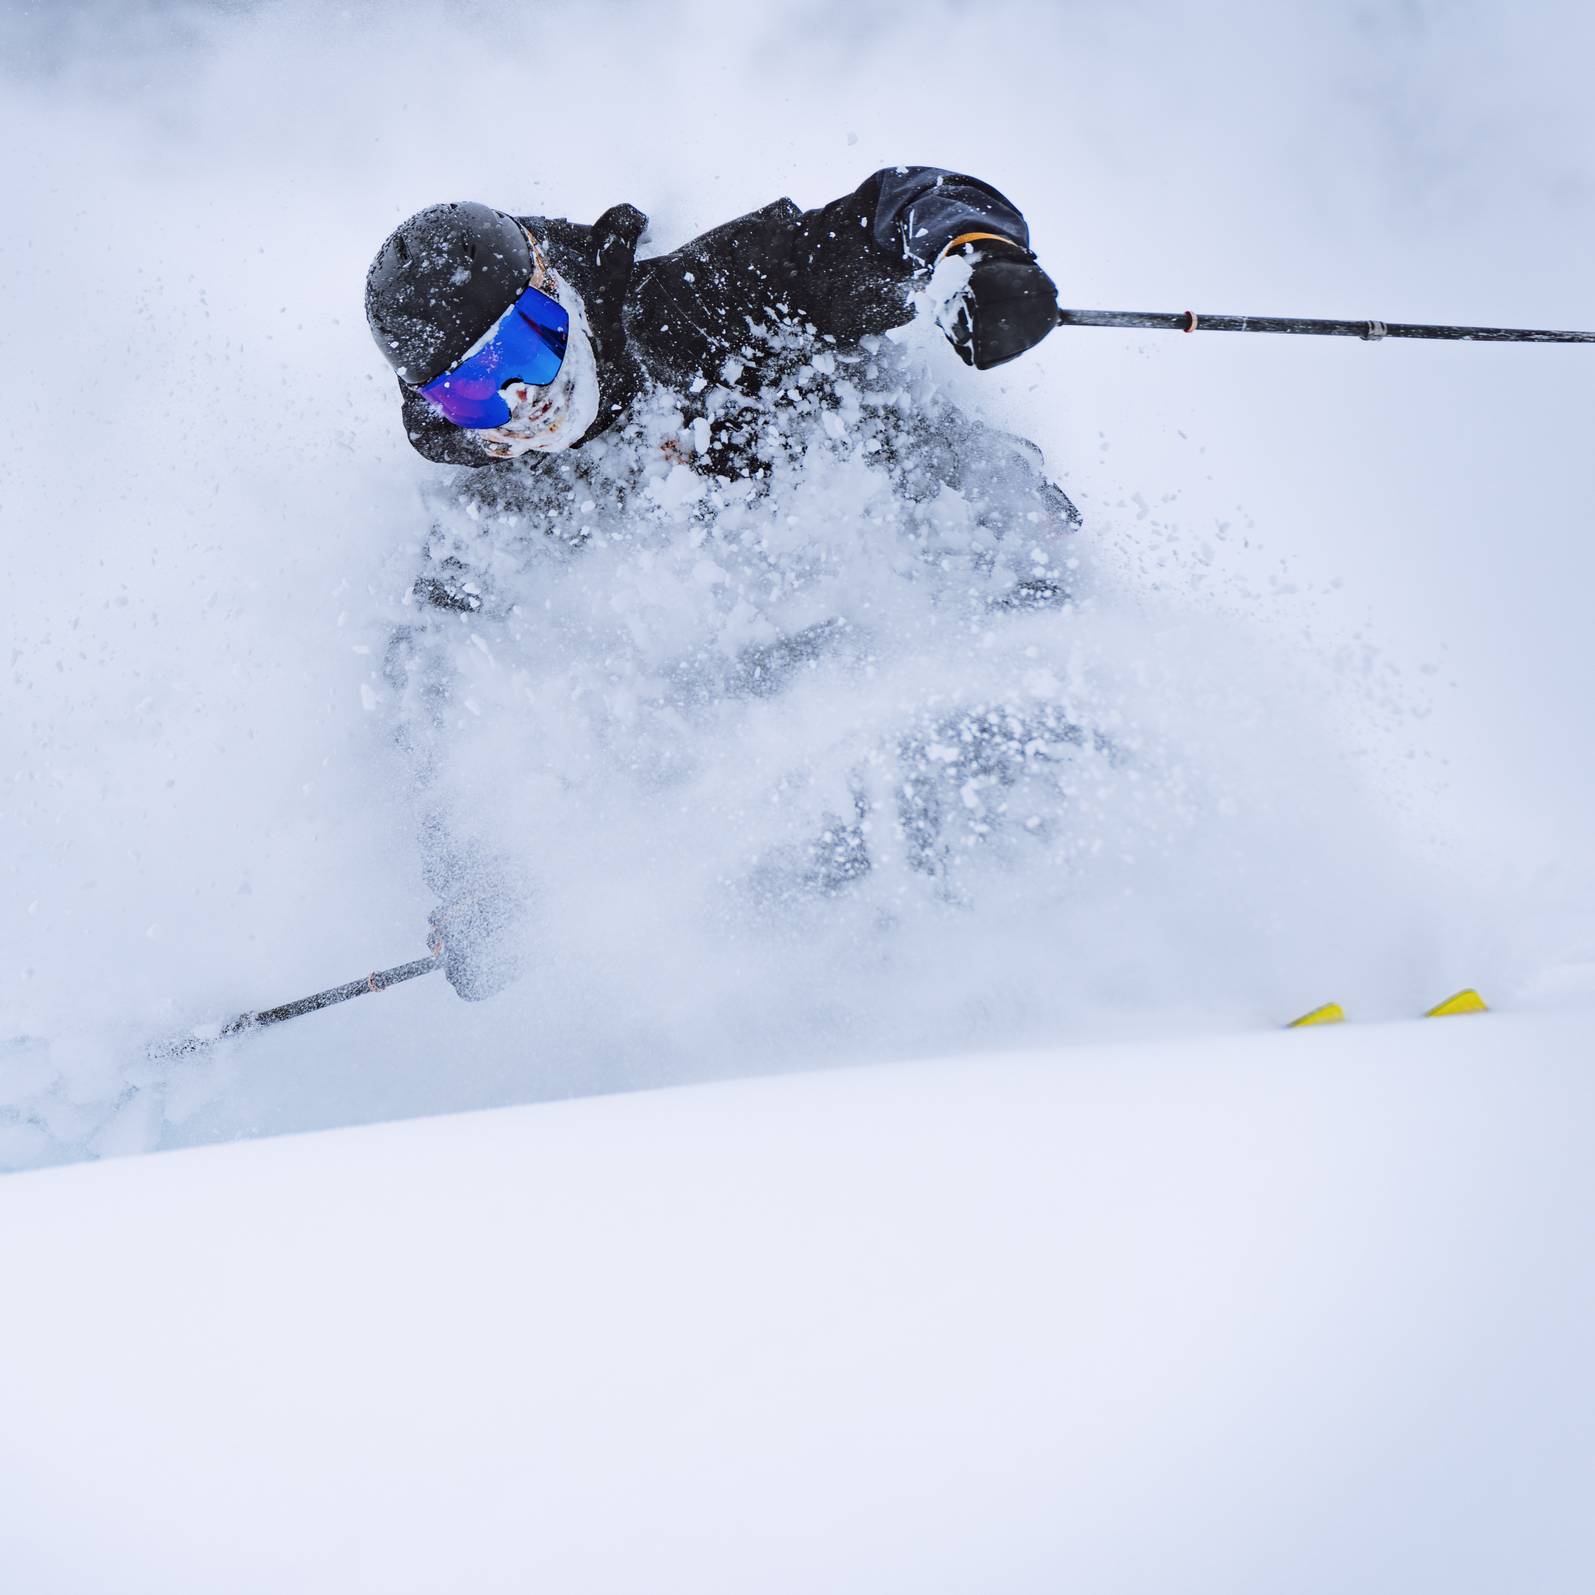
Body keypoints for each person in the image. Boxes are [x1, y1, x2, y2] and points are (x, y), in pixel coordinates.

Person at [365, 168, 1081, 999]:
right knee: (696, 770)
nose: (523, 402)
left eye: (524, 350)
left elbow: (888, 214)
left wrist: (971, 255)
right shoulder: (498, 509)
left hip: (963, 580)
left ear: (551, 283)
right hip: (801, 703)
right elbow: (439, 692)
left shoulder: (703, 302)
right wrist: (480, 877)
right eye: (472, 393)